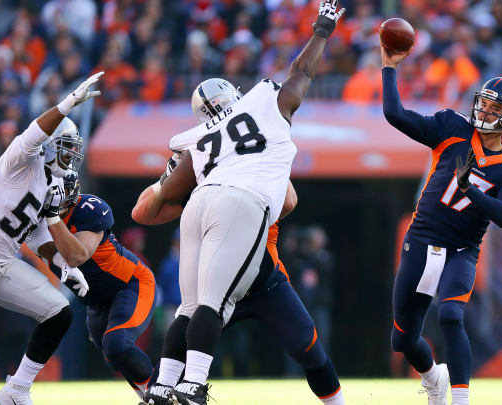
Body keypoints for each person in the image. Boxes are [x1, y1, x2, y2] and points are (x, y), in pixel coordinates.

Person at [136, 2, 345, 403]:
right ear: (236, 95)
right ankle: (194, 385)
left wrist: (167, 177)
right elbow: (301, 73)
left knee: (189, 308)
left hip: (200, 205)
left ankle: (163, 385)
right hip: (240, 209)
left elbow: (150, 206)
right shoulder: (264, 101)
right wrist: (322, 28)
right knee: (210, 306)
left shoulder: (195, 141)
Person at [382, 46, 502, 405]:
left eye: (494, 108)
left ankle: (462, 400)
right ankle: (434, 376)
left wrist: (469, 188)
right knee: (403, 340)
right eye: (483, 103)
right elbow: (395, 113)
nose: (484, 111)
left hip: (462, 249)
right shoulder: (452, 128)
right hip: (421, 239)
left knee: (452, 314)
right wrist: (389, 68)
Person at [0, 72, 102, 405]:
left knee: (59, 312)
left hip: (1, 265)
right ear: (50, 147)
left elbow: (34, 235)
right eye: (67, 149)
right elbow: (34, 132)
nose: (72, 157)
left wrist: (62, 265)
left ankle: (17, 389)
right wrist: (66, 105)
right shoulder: (20, 161)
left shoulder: (53, 184)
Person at [133, 177, 344, 404]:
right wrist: (168, 178)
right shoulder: (202, 164)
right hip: (218, 289)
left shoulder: (262, 158)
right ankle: (159, 393)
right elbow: (142, 212)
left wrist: (254, 210)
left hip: (265, 283)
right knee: (181, 350)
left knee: (308, 346)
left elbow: (289, 200)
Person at [39, 171, 156, 398]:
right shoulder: (37, 217)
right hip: (97, 301)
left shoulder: (89, 209)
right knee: (113, 356)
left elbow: (77, 256)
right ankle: (149, 396)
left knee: (117, 344)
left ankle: (161, 393)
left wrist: (52, 219)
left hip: (130, 284)